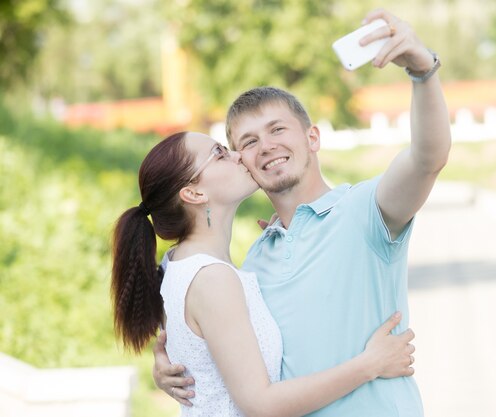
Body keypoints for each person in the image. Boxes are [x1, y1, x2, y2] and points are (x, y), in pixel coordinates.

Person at [154, 7, 451, 417]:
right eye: (249, 141)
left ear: (312, 137)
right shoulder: (255, 259)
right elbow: (233, 348)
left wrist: (423, 72)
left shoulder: (366, 210)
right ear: (242, 160)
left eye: (278, 129)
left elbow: (427, 159)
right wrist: (174, 365)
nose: (267, 146)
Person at [111, 131, 416, 417]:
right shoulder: (212, 279)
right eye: (219, 153)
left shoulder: (176, 263)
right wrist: (370, 364)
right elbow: (260, 404)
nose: (238, 156)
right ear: (193, 193)